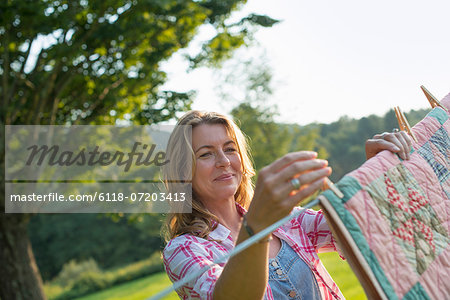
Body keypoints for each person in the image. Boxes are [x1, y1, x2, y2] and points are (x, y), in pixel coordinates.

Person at [162, 111, 412, 300]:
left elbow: (364, 224)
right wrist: (256, 226)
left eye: (230, 149)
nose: (224, 161)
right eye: (206, 154)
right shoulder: (184, 249)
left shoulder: (290, 219)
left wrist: (377, 169)